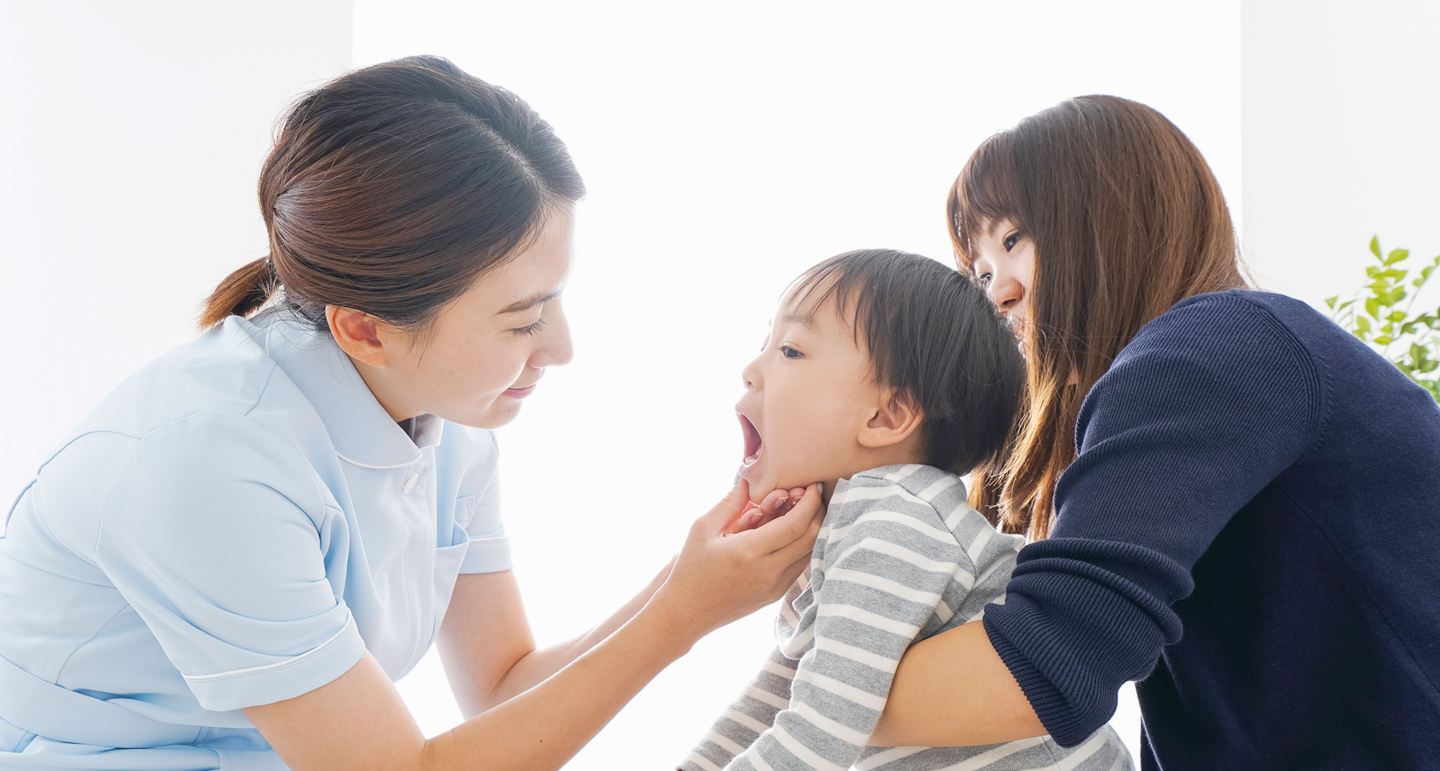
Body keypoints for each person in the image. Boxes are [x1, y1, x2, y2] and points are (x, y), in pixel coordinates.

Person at [0, 56, 823, 771]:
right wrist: (685, 615)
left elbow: (502, 690)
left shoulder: (448, 416)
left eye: (555, 300)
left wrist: (691, 579)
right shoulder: (203, 462)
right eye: (523, 317)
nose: (562, 347)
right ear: (365, 329)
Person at [861, 95, 1440, 769]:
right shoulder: (1188, 377)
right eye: (980, 270)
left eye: (1014, 239)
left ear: (1111, 217)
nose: (997, 293)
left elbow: (1046, 662)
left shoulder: (1211, 345)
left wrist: (804, 699)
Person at [680, 250, 1133, 771]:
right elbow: (774, 698)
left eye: (789, 350)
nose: (751, 370)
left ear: (886, 416)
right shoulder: (842, 529)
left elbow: (820, 731)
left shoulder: (893, 517)